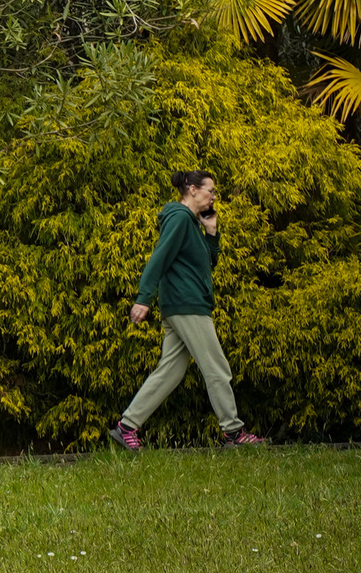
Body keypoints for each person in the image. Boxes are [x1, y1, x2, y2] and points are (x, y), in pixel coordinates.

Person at [109, 168, 266, 450]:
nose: (214, 197)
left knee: (170, 371)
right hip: (187, 305)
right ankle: (233, 433)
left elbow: (207, 265)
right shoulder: (179, 219)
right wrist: (143, 298)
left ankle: (126, 427)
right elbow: (159, 258)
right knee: (217, 369)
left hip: (185, 304)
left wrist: (212, 233)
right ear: (192, 189)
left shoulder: (192, 224)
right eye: (210, 190)